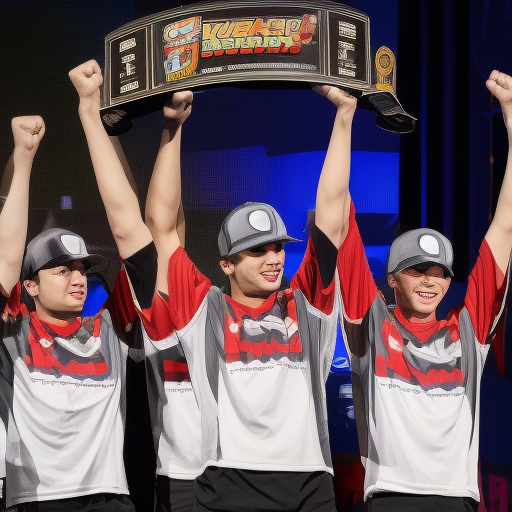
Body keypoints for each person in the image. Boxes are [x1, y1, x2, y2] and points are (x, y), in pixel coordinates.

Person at [137, 76, 357, 510]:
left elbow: (332, 219)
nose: (274, 258)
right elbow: (160, 229)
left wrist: (344, 118)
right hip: (225, 483)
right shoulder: (206, 310)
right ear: (227, 265)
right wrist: (173, 129)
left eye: (278, 247)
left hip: (310, 487)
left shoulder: (306, 307)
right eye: (257, 251)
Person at [336, 70, 512, 511]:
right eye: (417, 271)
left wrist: (511, 120)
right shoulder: (373, 325)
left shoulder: (467, 332)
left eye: (439, 273)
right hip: (390, 498)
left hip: (457, 500)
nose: (431, 280)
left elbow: (505, 227)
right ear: (392, 279)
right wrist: (345, 116)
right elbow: (340, 220)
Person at [68, 60, 202, 512]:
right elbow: (138, 225)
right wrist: (93, 115)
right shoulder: (143, 319)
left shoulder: (212, 312)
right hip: (153, 477)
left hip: (225, 480)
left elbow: (162, 231)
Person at [0, 115, 151, 510]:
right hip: (35, 501)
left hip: (111, 498)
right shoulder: (12, 333)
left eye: (83, 270)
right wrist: (24, 156)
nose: (78, 279)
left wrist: (92, 118)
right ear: (29, 285)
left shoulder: (109, 329)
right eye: (63, 270)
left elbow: (136, 239)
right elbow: (6, 256)